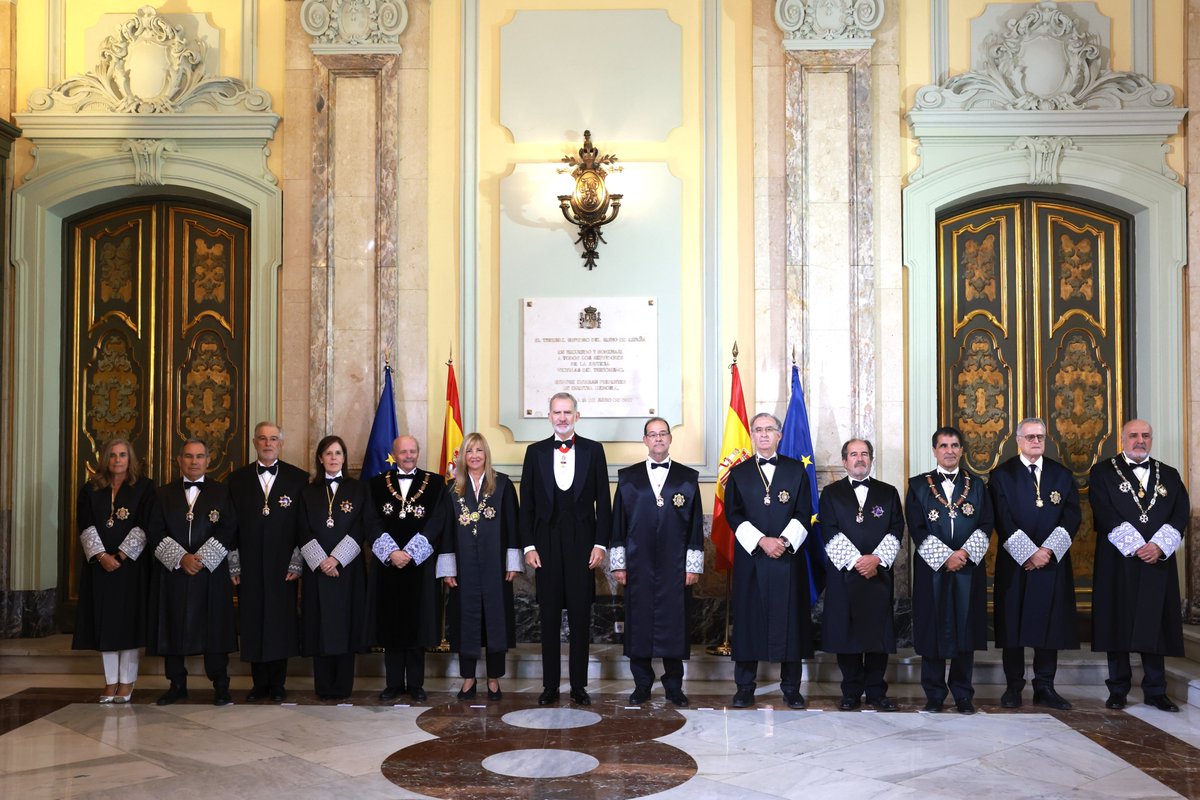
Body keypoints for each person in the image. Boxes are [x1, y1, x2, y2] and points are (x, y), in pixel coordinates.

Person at [1090, 419, 1190, 712]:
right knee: (1117, 621)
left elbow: (1180, 512)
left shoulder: (1169, 474)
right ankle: (1118, 689)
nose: (1140, 440)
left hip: (1156, 560)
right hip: (1117, 560)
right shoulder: (1103, 472)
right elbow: (1102, 511)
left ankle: (1156, 690)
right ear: (1122, 439)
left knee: (1154, 621)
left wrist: (1158, 546)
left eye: (1145, 435)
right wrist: (1136, 545)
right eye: (1133, 435)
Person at [520, 392, 611, 706]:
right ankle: (549, 686)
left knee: (580, 616)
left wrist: (600, 543)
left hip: (583, 544)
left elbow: (604, 501)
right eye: (557, 412)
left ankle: (578, 686)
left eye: (567, 412)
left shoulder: (593, 450)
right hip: (544, 544)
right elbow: (526, 505)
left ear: (577, 416)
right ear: (549, 416)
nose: (562, 418)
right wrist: (529, 546)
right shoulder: (534, 452)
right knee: (547, 617)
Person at [724, 412, 815, 709]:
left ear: (779, 435)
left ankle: (791, 689)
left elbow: (804, 512)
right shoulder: (739, 473)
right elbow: (733, 514)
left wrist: (784, 542)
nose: (763, 434)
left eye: (769, 429)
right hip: (752, 559)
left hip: (787, 559)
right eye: (758, 430)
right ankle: (744, 687)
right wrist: (761, 541)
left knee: (791, 622)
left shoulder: (796, 471)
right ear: (752, 435)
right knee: (748, 621)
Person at [610, 418, 703, 707]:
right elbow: (618, 523)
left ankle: (674, 685)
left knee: (675, 623)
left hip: (675, 565)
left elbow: (695, 526)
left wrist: (693, 566)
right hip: (638, 564)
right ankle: (642, 684)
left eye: (663, 434)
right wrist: (619, 564)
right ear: (645, 440)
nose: (658, 439)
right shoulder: (627, 478)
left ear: (670, 439)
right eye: (653, 434)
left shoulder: (688, 478)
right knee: (638, 624)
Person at [989, 417, 1080, 711]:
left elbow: (1072, 517)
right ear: (1018, 441)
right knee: (1012, 624)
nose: (1036, 441)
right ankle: (1013, 686)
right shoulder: (1001, 475)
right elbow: (1001, 517)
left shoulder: (1062, 475)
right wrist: (1028, 553)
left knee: (1049, 625)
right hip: (1016, 564)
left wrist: (1047, 551)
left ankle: (1045, 686)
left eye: (1040, 436)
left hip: (1051, 563)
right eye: (1030, 437)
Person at [905, 426, 993, 714]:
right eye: (943, 446)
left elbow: (986, 523)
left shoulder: (977, 485)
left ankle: (963, 694)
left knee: (965, 629)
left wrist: (964, 554)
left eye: (954, 445)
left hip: (967, 569)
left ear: (961, 450)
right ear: (935, 451)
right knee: (933, 630)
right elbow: (916, 527)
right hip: (933, 570)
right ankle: (934, 694)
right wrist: (944, 558)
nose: (950, 451)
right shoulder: (918, 486)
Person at [147, 438, 238, 706]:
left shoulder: (222, 492)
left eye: (200, 456)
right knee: (172, 625)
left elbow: (230, 528)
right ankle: (177, 684)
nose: (194, 461)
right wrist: (181, 558)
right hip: (173, 573)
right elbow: (154, 530)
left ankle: (220, 685)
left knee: (214, 629)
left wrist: (201, 559)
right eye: (188, 456)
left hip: (210, 573)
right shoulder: (162, 494)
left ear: (209, 461)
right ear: (179, 460)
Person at [819, 437, 903, 712]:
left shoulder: (888, 492)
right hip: (846, 575)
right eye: (854, 454)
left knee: (878, 635)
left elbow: (896, 529)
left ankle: (877, 692)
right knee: (847, 635)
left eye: (864, 454)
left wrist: (876, 560)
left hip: (878, 575)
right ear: (845, 461)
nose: (859, 459)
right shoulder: (831, 493)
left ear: (871, 459)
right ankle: (851, 692)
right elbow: (828, 529)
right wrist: (857, 561)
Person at [436, 433, 520, 701]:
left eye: (479, 450)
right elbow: (446, 531)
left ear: (486, 455)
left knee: (496, 621)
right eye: (469, 451)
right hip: (464, 567)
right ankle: (468, 679)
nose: (474, 456)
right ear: (463, 456)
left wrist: (513, 561)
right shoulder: (452, 489)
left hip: (496, 566)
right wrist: (448, 567)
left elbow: (513, 525)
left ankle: (493, 679)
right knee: (466, 621)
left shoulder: (503, 484)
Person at [227, 421, 306, 702]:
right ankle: (259, 683)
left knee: (280, 621)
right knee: (253, 620)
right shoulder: (236, 479)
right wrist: (233, 562)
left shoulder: (299, 478)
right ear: (254, 443)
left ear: (281, 443)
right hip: (248, 563)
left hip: (283, 565)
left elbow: (304, 524)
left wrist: (297, 561)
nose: (268, 443)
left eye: (273, 439)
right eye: (262, 438)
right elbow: (229, 525)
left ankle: (278, 683)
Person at [73, 438, 155, 704]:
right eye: (112, 455)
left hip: (131, 566)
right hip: (99, 567)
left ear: (130, 459)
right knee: (105, 622)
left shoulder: (144, 487)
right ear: (105, 459)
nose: (117, 460)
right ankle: (110, 681)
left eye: (122, 455)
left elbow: (145, 524)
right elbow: (85, 524)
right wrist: (101, 556)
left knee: (128, 622)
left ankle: (127, 681)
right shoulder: (91, 489)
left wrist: (120, 555)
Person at [368, 434, 445, 702]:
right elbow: (371, 521)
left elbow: (438, 521)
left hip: (420, 566)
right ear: (394, 454)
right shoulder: (377, 484)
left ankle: (415, 684)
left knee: (417, 624)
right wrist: (392, 553)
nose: (409, 455)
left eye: (413, 451)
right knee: (391, 623)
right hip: (388, 567)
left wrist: (411, 553)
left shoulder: (436, 483)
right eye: (403, 452)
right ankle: (392, 684)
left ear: (418, 452)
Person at [297, 435, 375, 700]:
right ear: (320, 458)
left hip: (348, 570)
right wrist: (321, 560)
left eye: (338, 453)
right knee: (319, 626)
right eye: (328, 453)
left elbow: (362, 526)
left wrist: (337, 558)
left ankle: (342, 687)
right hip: (317, 570)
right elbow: (302, 528)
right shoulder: (307, 492)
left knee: (346, 625)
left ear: (344, 458)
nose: (333, 458)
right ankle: (323, 686)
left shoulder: (359, 489)